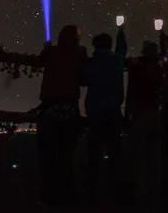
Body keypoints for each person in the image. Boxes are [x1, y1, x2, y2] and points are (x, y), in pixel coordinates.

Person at [36, 25, 87, 208]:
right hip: (70, 108)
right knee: (66, 155)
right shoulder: (80, 52)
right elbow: (83, 77)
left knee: (47, 155)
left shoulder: (51, 52)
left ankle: (47, 197)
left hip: (50, 107)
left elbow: (41, 60)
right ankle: (65, 197)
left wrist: (47, 48)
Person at [81, 25, 127, 197]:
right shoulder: (117, 61)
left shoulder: (90, 63)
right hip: (113, 112)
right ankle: (113, 190)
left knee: (94, 154)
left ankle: (93, 191)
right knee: (114, 153)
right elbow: (122, 49)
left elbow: (83, 80)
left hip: (95, 113)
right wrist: (121, 32)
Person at [125, 41, 168, 213]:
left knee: (141, 161)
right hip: (155, 116)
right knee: (155, 162)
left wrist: (128, 113)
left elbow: (131, 91)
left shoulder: (136, 68)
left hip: (140, 116)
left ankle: (141, 201)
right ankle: (155, 202)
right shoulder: (160, 68)